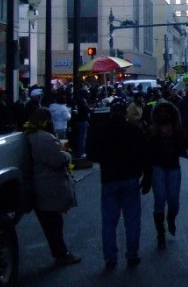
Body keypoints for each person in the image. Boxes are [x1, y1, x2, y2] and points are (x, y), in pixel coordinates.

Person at [87, 97, 152, 269]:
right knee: (132, 220)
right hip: (130, 178)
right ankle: (132, 254)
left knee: (109, 221)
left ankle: (110, 257)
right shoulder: (133, 131)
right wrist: (147, 176)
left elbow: (91, 154)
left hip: (109, 179)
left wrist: (105, 160)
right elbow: (145, 154)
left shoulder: (101, 131)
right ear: (124, 113)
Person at [24, 107, 80, 267]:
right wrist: (67, 155)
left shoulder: (30, 136)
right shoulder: (44, 138)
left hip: (41, 184)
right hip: (48, 185)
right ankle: (62, 254)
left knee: (51, 224)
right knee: (54, 224)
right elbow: (58, 159)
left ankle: (60, 252)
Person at [147, 101, 188, 250]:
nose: (163, 115)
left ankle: (171, 218)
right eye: (161, 113)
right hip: (158, 167)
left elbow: (185, 143)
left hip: (173, 167)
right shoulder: (152, 131)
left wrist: (177, 133)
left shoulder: (177, 129)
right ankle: (160, 233)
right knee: (159, 198)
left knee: (173, 201)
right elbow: (147, 150)